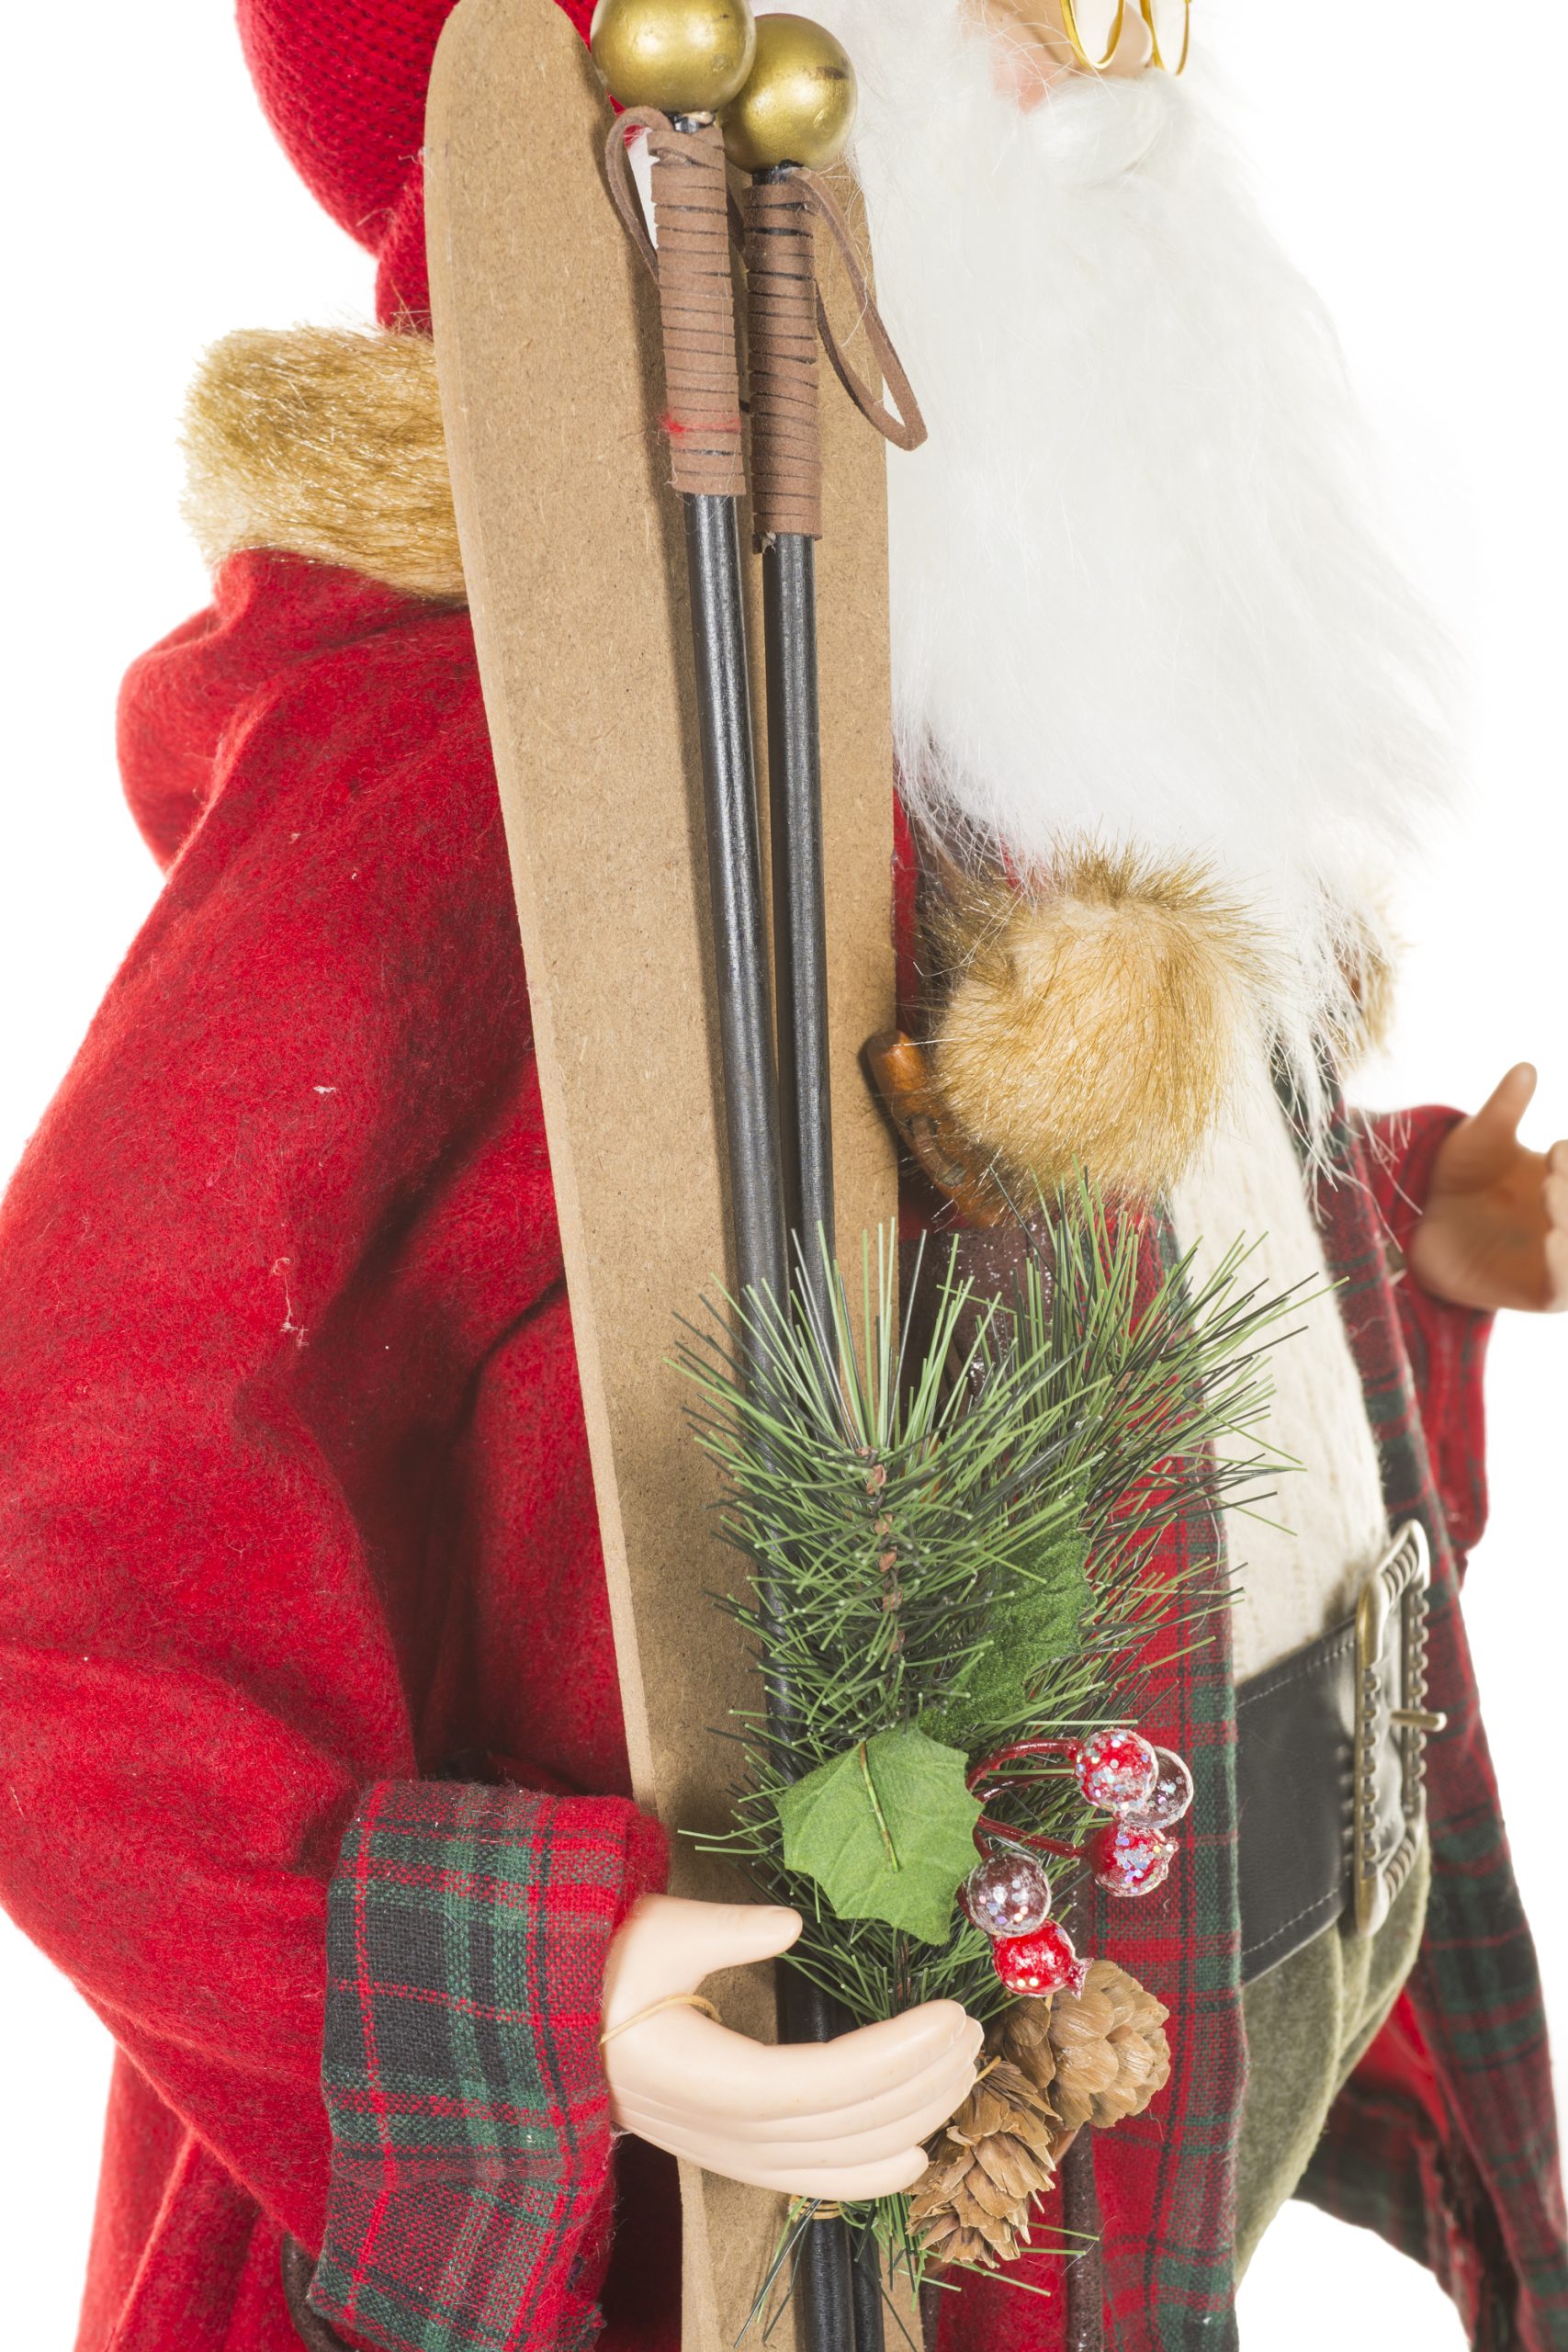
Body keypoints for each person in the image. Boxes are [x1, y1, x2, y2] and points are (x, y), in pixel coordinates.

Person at [0, 3, 1562, 2349]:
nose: (1101, 63)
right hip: (766, 2202)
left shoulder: (1016, 627)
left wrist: (1404, 1217)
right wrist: (549, 1993)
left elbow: (1037, 1244)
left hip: (1132, 2088)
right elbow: (53, 1545)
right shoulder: (471, 727)